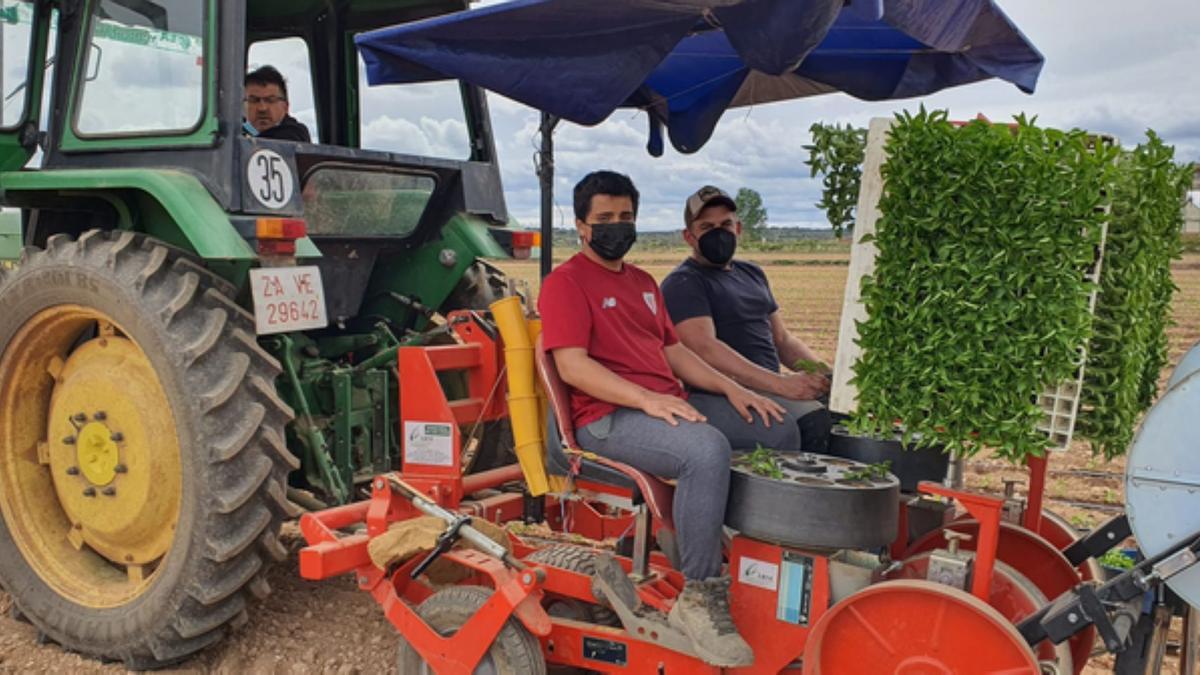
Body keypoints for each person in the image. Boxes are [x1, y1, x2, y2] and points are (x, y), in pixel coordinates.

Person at [538, 171, 800, 668]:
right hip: (608, 418)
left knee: (776, 425)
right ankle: (700, 595)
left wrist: (733, 387)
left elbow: (673, 351)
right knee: (705, 450)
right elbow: (573, 367)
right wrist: (645, 399)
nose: (618, 227)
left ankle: (750, 555)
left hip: (663, 405)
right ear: (581, 226)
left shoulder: (641, 283)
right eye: (605, 219)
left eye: (626, 217)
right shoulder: (565, 284)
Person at [661, 185, 833, 453]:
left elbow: (782, 340)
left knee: (841, 412)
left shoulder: (752, 273)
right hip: (719, 394)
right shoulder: (684, 283)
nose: (719, 233)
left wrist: (826, 375)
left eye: (725, 224)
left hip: (767, 386)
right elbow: (704, 348)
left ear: (738, 228)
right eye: (707, 227)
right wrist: (781, 385)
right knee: (810, 421)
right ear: (689, 236)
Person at [244, 66, 312, 143]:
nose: (262, 108)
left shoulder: (293, 135)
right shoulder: (247, 133)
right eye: (254, 100)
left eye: (270, 100)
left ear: (286, 107)